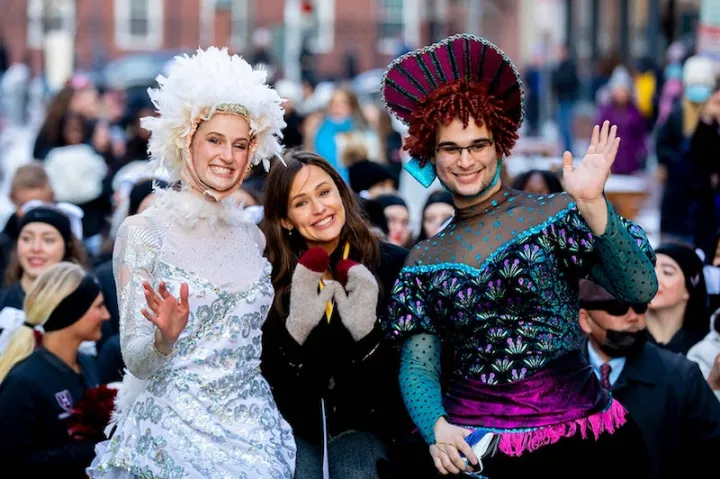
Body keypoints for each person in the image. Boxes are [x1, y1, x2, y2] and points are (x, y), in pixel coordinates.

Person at [380, 34, 658, 477]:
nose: (465, 160)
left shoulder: (556, 216)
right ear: (430, 156)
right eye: (450, 148)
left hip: (580, 449)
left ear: (500, 144)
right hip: (476, 456)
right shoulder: (422, 261)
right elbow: (418, 367)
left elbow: (639, 287)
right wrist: (435, 428)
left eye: (478, 145)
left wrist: (592, 205)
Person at [87, 47, 296, 478]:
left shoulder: (251, 235)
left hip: (256, 434)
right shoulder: (145, 231)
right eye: (215, 140)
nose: (228, 156)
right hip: (171, 439)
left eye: (240, 144)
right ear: (186, 140)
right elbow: (138, 360)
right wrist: (165, 338)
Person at [260, 151, 411, 478]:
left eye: (324, 193)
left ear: (341, 194)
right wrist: (295, 335)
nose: (319, 209)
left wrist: (367, 337)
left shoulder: (393, 264)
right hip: (296, 430)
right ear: (285, 219)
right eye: (300, 203)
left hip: (373, 430)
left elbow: (401, 383)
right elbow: (273, 388)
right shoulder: (268, 277)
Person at [579, 279, 720, 478]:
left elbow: (710, 457)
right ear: (585, 319)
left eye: (640, 306)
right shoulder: (552, 378)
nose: (633, 317)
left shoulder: (681, 376)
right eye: (618, 308)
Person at [0, 263, 109, 477]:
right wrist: (90, 450)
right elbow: (11, 465)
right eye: (98, 307)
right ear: (72, 313)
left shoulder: (86, 363)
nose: (106, 315)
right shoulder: (23, 382)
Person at [645, 243, 709, 355]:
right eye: (649, 268)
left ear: (687, 290)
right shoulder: (624, 336)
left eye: (667, 272)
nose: (652, 277)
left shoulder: (706, 346)